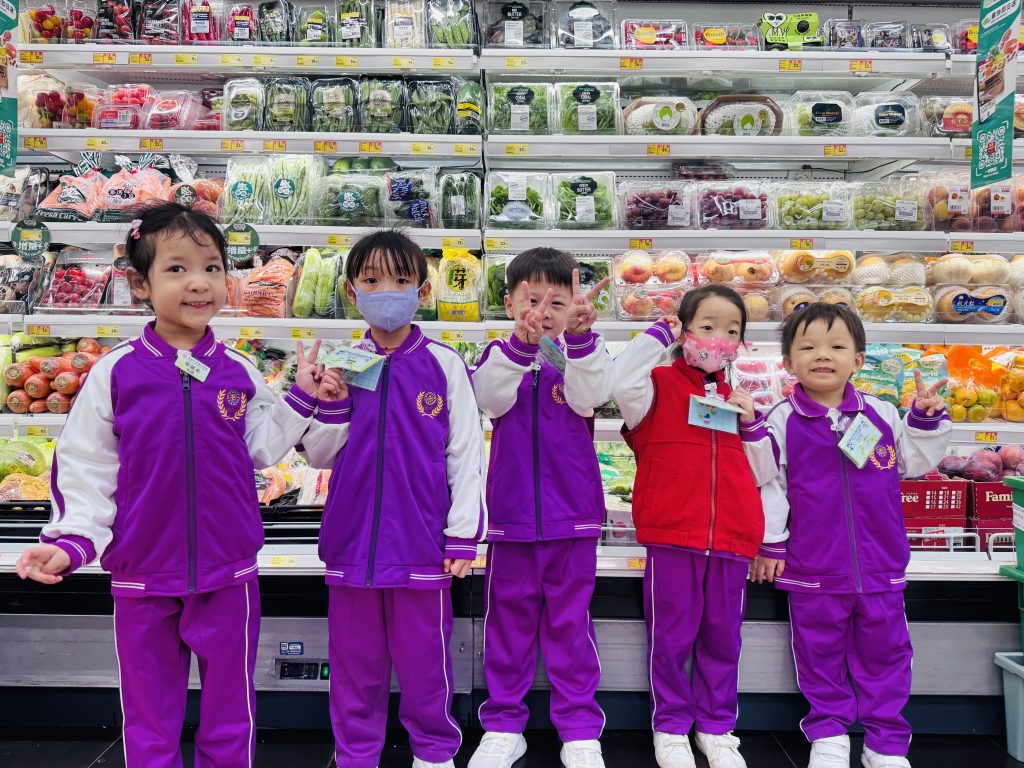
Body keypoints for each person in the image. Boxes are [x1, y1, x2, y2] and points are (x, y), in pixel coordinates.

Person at [15, 202, 321, 768]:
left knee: (232, 708)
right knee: (149, 713)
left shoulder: (236, 369)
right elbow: (85, 464)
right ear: (140, 284)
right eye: (176, 269)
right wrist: (72, 540)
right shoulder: (116, 372)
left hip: (228, 571)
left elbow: (260, 446)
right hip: (142, 573)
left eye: (211, 267)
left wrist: (300, 396)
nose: (198, 283)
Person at [300, 229, 485, 768]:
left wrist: (462, 536)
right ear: (351, 292)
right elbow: (318, 456)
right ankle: (356, 755)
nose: (387, 291)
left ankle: (434, 753)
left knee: (427, 663)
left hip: (422, 543)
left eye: (402, 280)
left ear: (422, 292)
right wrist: (330, 405)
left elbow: (465, 454)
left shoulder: (444, 364)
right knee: (354, 667)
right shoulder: (344, 362)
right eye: (372, 280)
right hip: (351, 541)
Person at [744, 303, 951, 768]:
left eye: (837, 346)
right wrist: (772, 541)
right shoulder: (782, 419)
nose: (823, 355)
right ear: (788, 362)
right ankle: (829, 734)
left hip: (880, 563)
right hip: (812, 566)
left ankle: (885, 743)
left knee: (888, 655)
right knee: (818, 655)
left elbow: (913, 463)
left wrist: (922, 419)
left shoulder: (880, 413)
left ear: (858, 359)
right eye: (808, 347)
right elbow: (769, 484)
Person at [469, 248, 612, 768]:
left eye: (558, 301)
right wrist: (520, 349)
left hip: (573, 516)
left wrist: (580, 341)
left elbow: (591, 397)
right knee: (507, 627)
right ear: (510, 304)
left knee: (571, 627)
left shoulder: (582, 352)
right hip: (510, 519)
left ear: (575, 305)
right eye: (532, 300)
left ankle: (580, 728)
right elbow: (490, 400)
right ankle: (503, 725)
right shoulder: (497, 354)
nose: (543, 312)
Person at [610, 284, 764, 768]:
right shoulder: (656, 386)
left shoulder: (740, 400)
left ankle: (716, 727)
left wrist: (752, 425)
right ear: (684, 332)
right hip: (673, 535)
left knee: (723, 639)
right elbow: (620, 381)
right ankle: (671, 726)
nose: (720, 339)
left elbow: (765, 472)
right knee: (671, 638)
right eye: (707, 327)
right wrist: (659, 332)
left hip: (733, 539)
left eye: (732, 331)